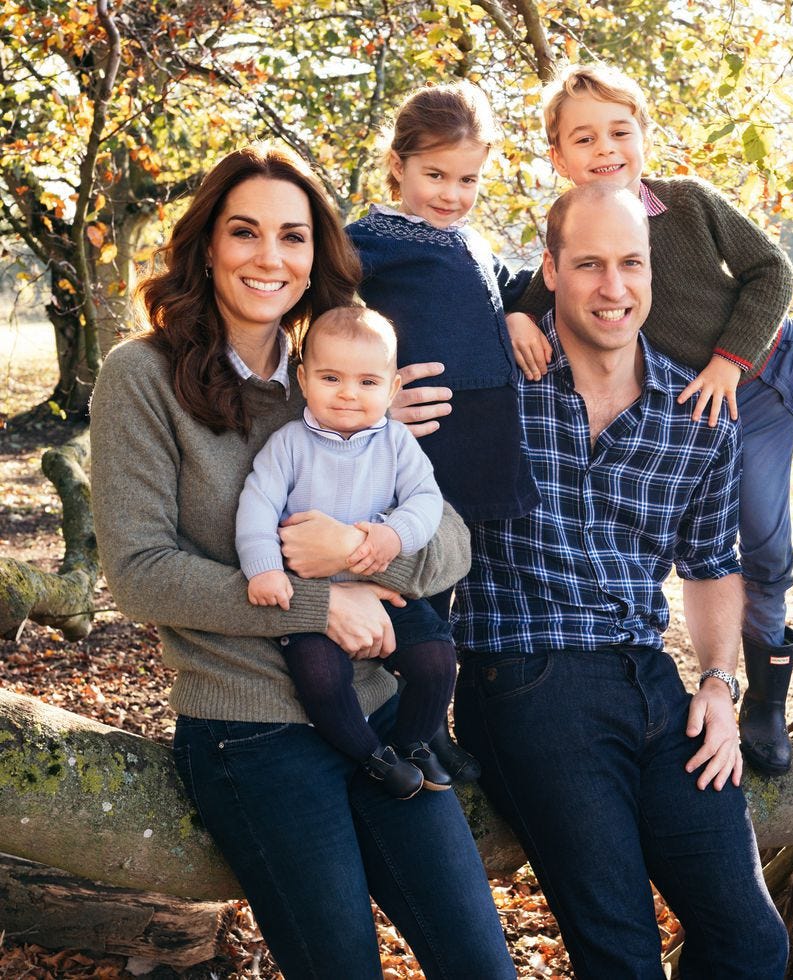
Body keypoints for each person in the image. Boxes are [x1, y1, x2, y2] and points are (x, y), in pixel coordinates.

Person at [90, 143, 516, 980]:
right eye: (244, 232)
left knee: (482, 965)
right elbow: (140, 572)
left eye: (293, 236)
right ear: (207, 244)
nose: (269, 257)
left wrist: (364, 554)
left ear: (317, 254)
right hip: (250, 727)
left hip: (381, 711)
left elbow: (453, 540)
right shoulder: (139, 377)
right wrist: (323, 606)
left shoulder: (342, 377)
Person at [506, 61, 793, 776]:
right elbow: (537, 294)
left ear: (644, 135)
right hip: (735, 414)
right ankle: (766, 706)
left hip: (789, 355)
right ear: (559, 158)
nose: (606, 149)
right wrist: (513, 318)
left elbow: (772, 271)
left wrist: (728, 358)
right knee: (765, 554)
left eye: (620, 131)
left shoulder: (688, 203)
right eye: (584, 139)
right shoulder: (579, 241)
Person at [448, 182, 790, 978]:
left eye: (630, 264)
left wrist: (717, 682)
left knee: (751, 943)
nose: (614, 287)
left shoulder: (696, 409)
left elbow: (711, 563)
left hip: (650, 680)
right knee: (622, 955)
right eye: (590, 264)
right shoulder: (494, 382)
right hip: (526, 676)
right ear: (551, 270)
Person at [346, 80, 540, 779]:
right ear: (397, 165)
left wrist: (518, 312)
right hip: (424, 441)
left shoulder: (471, 239)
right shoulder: (369, 241)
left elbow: (509, 285)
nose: (452, 194)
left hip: (483, 441)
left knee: (451, 589)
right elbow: (319, 319)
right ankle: (409, 726)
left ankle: (434, 723)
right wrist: (368, 393)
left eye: (468, 179)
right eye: (435, 175)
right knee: (416, 587)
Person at [236, 306, 457, 800]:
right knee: (320, 677)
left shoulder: (397, 443)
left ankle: (414, 741)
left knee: (436, 658)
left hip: (379, 590)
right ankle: (371, 756)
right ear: (303, 378)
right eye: (330, 377)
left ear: (392, 388)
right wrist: (265, 569)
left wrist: (392, 536)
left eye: (367, 381)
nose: (348, 393)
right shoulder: (288, 444)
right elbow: (256, 505)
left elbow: (426, 502)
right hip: (310, 598)